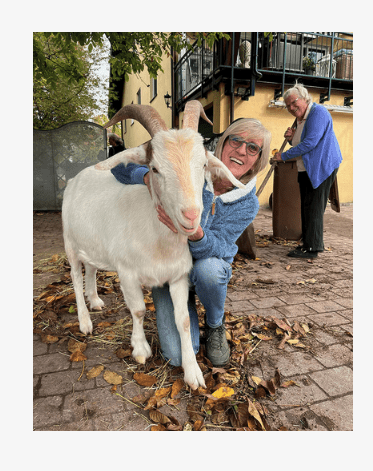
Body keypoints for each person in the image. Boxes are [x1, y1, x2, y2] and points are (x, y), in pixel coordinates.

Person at [110, 118, 271, 367]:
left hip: (204, 269)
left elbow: (222, 246)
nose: (241, 150)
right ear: (223, 143)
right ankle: (185, 312)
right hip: (170, 267)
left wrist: (194, 234)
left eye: (252, 147)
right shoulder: (190, 161)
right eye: (236, 140)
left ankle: (215, 323)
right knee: (176, 357)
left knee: (211, 269)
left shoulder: (247, 202)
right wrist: (148, 177)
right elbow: (118, 167)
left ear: (258, 158)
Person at [273, 83, 342, 258]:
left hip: (321, 166)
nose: (291, 107)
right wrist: (291, 139)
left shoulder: (318, 113)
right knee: (307, 205)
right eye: (287, 105)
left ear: (305, 98)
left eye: (294, 102)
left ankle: (312, 248)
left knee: (314, 207)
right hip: (306, 167)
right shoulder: (301, 118)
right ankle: (308, 243)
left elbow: (311, 143)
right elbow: (301, 143)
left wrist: (284, 156)